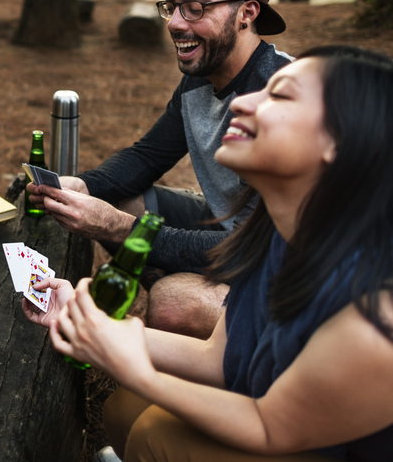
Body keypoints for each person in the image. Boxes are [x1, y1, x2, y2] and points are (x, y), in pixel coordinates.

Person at [26, 46, 393, 461]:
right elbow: (219, 358)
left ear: (342, 142)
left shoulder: (376, 321)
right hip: (270, 419)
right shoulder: (276, 233)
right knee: (124, 410)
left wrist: (139, 372)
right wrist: (83, 319)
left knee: (154, 433)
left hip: (286, 433)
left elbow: (269, 426)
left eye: (281, 95)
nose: (243, 100)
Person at [29, 0, 292, 338]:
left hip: (281, 266)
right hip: (228, 228)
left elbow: (257, 247)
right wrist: (81, 185)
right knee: (116, 197)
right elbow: (147, 156)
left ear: (246, 13)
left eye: (197, 7)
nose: (174, 23)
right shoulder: (200, 78)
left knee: (172, 303)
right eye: (172, 6)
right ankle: (167, 274)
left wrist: (121, 230)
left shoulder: (285, 99)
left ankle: (187, 302)